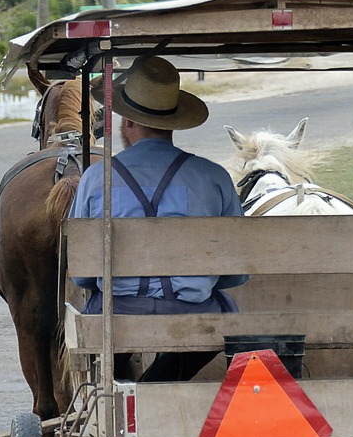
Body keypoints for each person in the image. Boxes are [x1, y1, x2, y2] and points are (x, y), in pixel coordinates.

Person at [69, 56, 247, 382]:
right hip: (194, 317)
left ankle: (127, 395)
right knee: (225, 310)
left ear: (127, 122)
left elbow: (81, 277)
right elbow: (235, 276)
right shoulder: (214, 177)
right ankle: (158, 387)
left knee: (100, 319)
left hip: (116, 314)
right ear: (174, 123)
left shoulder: (96, 179)